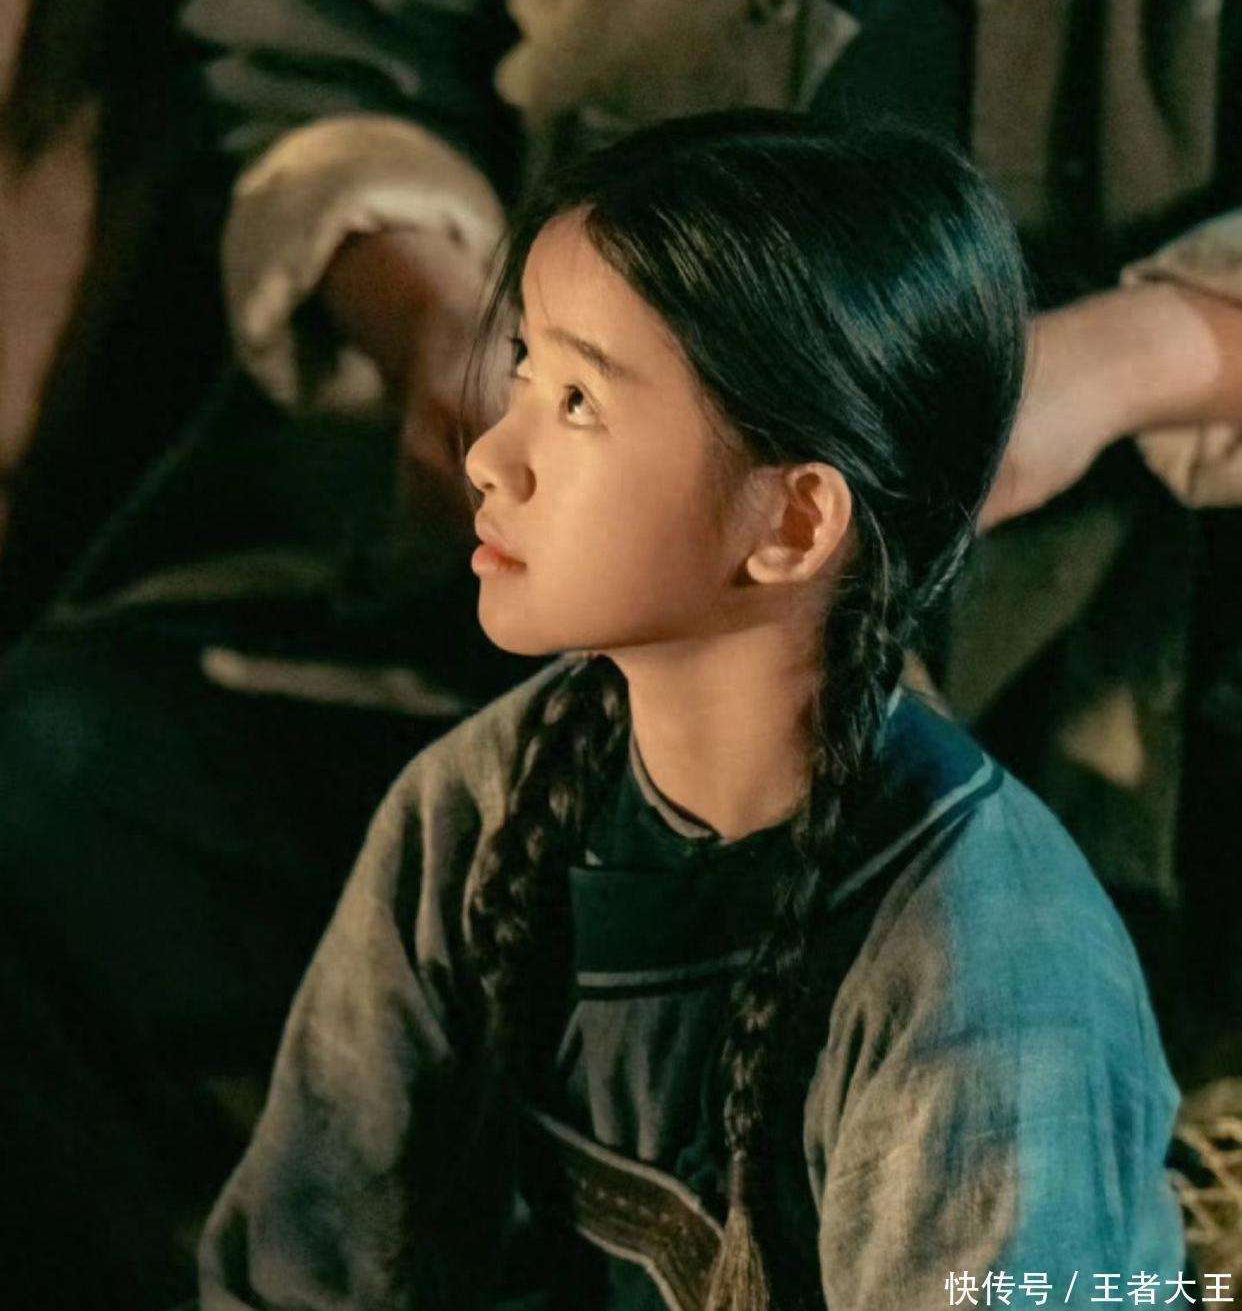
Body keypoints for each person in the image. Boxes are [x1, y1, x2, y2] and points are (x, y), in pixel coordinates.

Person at [198, 112, 1187, 1311]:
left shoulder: (988, 964)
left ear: (792, 521)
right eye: (523, 370)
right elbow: (299, 1273)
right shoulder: (478, 801)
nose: (491, 455)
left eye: (577, 401)